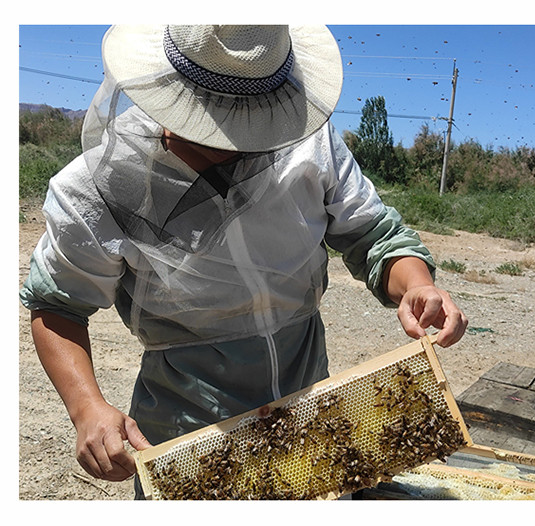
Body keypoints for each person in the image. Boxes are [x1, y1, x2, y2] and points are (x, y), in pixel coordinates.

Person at [20, 25, 468, 495]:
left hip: (310, 407)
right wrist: (87, 407)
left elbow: (374, 235)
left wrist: (418, 283)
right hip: (188, 426)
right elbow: (57, 306)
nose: (238, 142)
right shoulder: (100, 186)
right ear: (171, 92)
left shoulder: (310, 143)